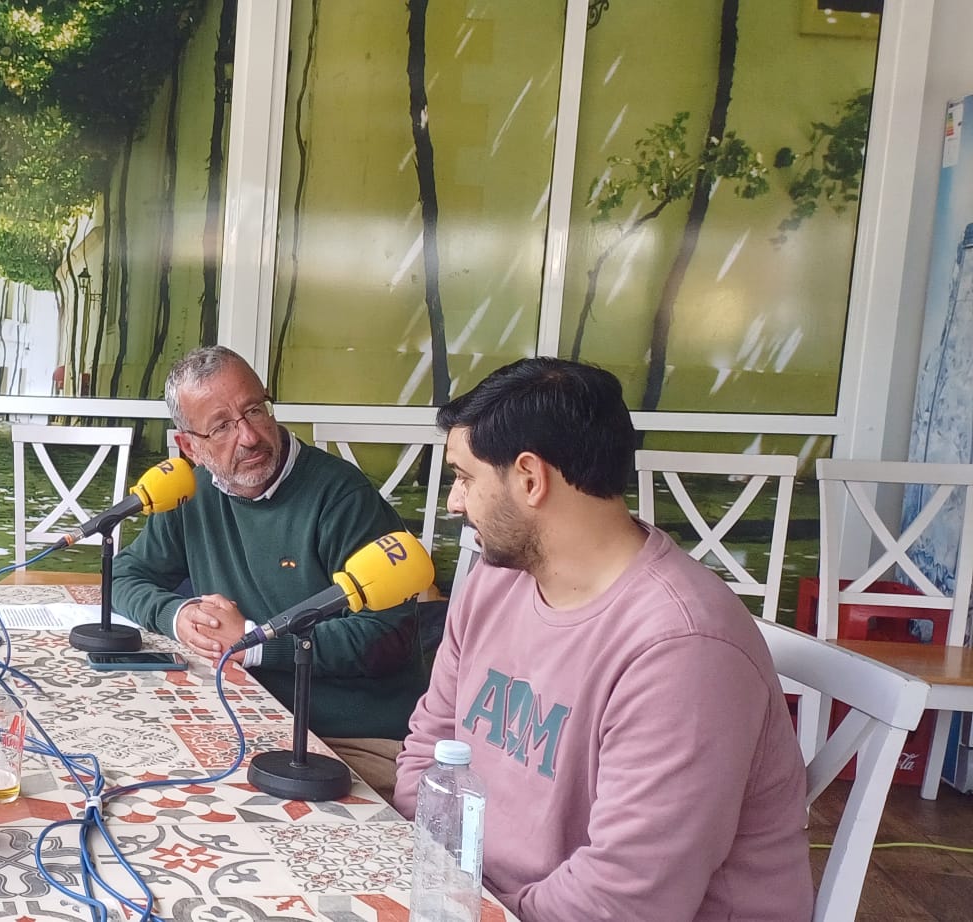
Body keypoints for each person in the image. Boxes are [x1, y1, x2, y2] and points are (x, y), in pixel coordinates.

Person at [395, 357, 810, 921]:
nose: (454, 502)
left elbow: (625, 898)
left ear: (530, 478)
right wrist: (445, 889)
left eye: (465, 477)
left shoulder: (684, 650)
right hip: (481, 899)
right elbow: (430, 746)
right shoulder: (493, 583)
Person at [110, 345, 427, 796]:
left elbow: (389, 635)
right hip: (246, 710)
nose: (249, 437)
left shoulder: (342, 498)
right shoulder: (191, 491)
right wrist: (180, 617)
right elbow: (126, 575)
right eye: (221, 426)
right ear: (189, 447)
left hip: (349, 735)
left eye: (255, 410)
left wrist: (257, 642)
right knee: (137, 777)